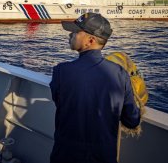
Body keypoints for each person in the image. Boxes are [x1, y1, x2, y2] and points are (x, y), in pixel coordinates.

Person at [49, 13, 141, 163]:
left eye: (75, 32)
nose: (70, 35)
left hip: (65, 155)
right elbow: (132, 121)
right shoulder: (120, 74)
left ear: (90, 40)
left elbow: (60, 101)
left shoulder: (61, 71)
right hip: (104, 157)